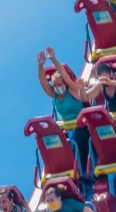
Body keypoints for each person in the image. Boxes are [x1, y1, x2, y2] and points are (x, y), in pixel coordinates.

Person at [37, 48, 91, 176]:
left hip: (81, 126)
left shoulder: (73, 90)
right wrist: (40, 65)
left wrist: (53, 59)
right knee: (57, 146)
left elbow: (65, 76)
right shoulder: (54, 95)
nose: (57, 87)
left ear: (65, 84)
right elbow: (43, 82)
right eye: (55, 85)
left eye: (59, 84)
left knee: (75, 143)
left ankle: (82, 173)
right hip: (68, 128)